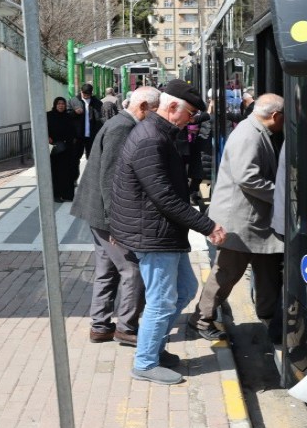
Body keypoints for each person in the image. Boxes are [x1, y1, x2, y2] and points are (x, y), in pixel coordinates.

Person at [110, 78, 227, 386]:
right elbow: (163, 197)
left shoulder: (159, 132)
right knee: (161, 301)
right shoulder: (151, 138)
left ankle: (154, 350)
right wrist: (208, 226)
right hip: (153, 234)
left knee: (185, 289)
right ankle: (145, 362)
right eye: (190, 113)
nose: (191, 120)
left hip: (161, 232)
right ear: (173, 106)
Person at [188, 94, 285, 340]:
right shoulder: (249, 134)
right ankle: (201, 319)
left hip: (255, 221)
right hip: (241, 222)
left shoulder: (256, 130)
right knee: (226, 272)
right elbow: (247, 177)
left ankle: (269, 316)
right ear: (276, 116)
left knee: (268, 270)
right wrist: (282, 196)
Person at [71, 87, 160, 346]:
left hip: (97, 211)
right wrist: (115, 222)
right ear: (143, 107)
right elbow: (111, 178)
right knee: (132, 270)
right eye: (155, 111)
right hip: (105, 214)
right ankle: (126, 327)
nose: (156, 117)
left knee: (107, 269)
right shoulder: (123, 127)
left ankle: (100, 326)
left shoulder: (119, 123)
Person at [46, 97, 77, 202]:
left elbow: (73, 131)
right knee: (56, 172)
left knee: (67, 172)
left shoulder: (68, 116)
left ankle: (67, 195)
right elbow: (43, 128)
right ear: (55, 105)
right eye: (59, 104)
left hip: (67, 149)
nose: (61, 105)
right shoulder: (49, 116)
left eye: (63, 104)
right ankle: (57, 195)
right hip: (55, 150)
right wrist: (48, 136)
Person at [66, 83, 104, 165]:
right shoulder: (73, 101)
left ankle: (90, 172)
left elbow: (101, 117)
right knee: (75, 157)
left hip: (92, 135)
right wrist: (75, 112)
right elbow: (67, 115)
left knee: (92, 158)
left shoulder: (97, 102)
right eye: (84, 94)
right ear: (81, 91)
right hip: (78, 135)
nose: (86, 96)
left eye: (88, 94)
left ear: (91, 93)